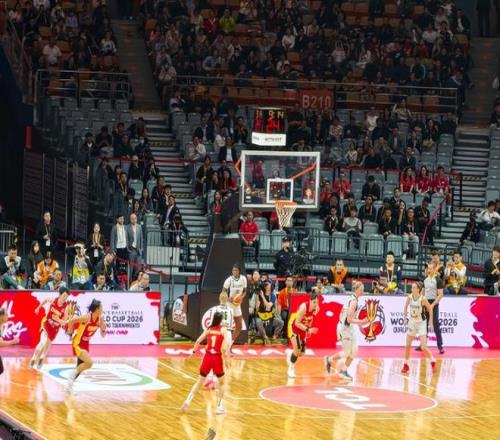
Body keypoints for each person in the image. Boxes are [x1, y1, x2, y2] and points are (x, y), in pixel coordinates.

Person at [181, 311, 229, 415]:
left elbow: (198, 341)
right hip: (217, 358)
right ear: (221, 320)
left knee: (199, 382)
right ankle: (219, 407)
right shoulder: (223, 330)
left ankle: (187, 401)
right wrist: (227, 361)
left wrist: (193, 352)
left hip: (207, 357)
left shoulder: (209, 329)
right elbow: (225, 349)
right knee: (222, 383)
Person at [324, 281, 369, 381]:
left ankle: (343, 370)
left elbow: (350, 317)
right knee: (347, 352)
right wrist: (362, 321)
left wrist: (360, 325)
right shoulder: (353, 301)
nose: (363, 291)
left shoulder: (353, 299)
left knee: (354, 351)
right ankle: (330, 360)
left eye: (363, 289)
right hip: (345, 328)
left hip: (349, 328)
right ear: (356, 290)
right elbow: (349, 320)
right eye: (361, 290)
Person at [66, 299, 106, 394]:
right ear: (97, 309)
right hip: (78, 342)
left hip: (86, 344)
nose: (102, 309)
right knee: (89, 363)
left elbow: (103, 335)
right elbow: (71, 321)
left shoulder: (100, 319)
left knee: (79, 368)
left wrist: (103, 328)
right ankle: (70, 376)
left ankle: (69, 387)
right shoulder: (87, 317)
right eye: (101, 307)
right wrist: (70, 333)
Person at [30, 287, 70, 369]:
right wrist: (38, 307)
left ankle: (41, 358)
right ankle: (33, 359)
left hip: (54, 328)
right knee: (42, 342)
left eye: (66, 296)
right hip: (46, 324)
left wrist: (58, 320)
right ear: (60, 295)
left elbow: (64, 322)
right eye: (64, 296)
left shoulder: (66, 308)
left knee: (47, 345)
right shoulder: (53, 300)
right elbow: (45, 300)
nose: (65, 298)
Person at [401, 282, 436, 374]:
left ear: (418, 289)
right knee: (407, 345)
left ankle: (432, 360)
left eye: (413, 287)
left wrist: (430, 322)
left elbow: (430, 309)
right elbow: (405, 307)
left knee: (423, 347)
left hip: (421, 323)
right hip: (412, 322)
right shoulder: (409, 297)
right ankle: (406, 364)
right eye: (412, 287)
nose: (412, 289)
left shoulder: (423, 299)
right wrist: (405, 318)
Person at [287, 291, 320, 378]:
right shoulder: (303, 307)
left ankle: (291, 354)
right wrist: (308, 329)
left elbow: (311, 319)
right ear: (310, 301)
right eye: (314, 302)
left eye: (317, 302)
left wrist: (308, 329)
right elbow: (297, 323)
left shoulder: (317, 308)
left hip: (303, 328)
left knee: (301, 353)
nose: (316, 304)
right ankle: (290, 369)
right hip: (294, 326)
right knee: (297, 349)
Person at [419, 263, 445, 354]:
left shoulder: (438, 280)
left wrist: (433, 305)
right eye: (428, 269)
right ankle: (423, 344)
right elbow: (422, 293)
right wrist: (420, 303)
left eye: (430, 269)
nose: (428, 270)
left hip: (434, 303)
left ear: (434, 269)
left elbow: (440, 295)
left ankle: (440, 346)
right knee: (424, 324)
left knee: (436, 324)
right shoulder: (425, 280)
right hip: (425, 303)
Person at [221, 265, 247, 344]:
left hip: (237, 305)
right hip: (229, 304)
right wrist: (228, 298)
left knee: (239, 326)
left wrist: (241, 297)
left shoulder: (243, 279)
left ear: (239, 271)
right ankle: (224, 342)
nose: (234, 272)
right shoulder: (229, 280)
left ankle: (230, 342)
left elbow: (245, 291)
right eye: (233, 270)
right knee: (226, 326)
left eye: (236, 270)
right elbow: (223, 292)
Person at [126, 213, 143, 279]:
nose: (134, 220)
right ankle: (129, 283)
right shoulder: (127, 227)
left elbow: (141, 238)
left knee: (138, 269)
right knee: (130, 269)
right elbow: (126, 239)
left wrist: (141, 249)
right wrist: (128, 249)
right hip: (131, 250)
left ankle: (136, 282)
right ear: (130, 219)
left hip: (138, 251)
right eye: (132, 218)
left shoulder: (139, 227)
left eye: (135, 218)